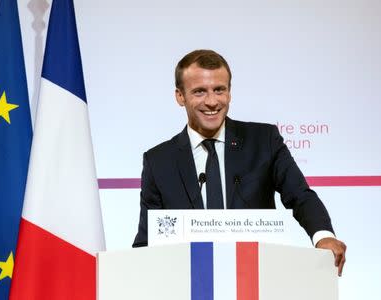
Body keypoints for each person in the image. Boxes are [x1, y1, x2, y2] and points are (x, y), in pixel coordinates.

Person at [132, 49, 346, 276]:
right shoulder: (158, 161)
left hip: (257, 279)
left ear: (230, 92)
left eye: (219, 90)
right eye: (199, 92)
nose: (212, 101)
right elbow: (146, 241)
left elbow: (300, 195)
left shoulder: (264, 140)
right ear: (180, 96)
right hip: (189, 283)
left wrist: (324, 236)